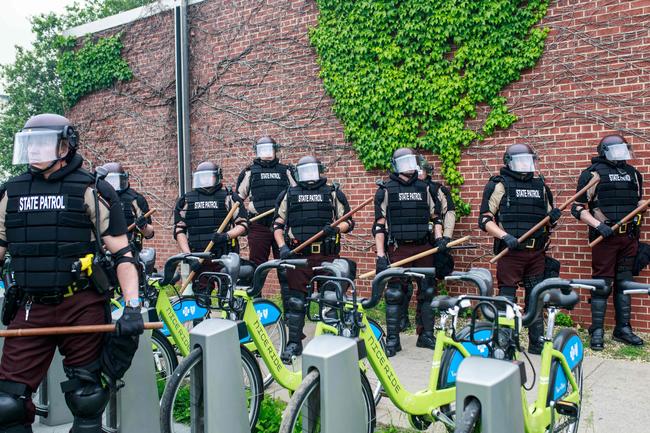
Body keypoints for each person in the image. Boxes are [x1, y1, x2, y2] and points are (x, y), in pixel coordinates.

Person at [0, 113, 143, 433]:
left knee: (88, 396)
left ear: (65, 146)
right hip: (29, 306)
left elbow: (123, 254)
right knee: (6, 405)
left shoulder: (93, 189)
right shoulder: (11, 192)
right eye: (29, 144)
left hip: (81, 305)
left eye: (41, 143)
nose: (34, 151)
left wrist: (133, 307)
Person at [478, 143, 561, 354]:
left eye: (529, 160)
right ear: (510, 162)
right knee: (508, 296)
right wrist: (505, 236)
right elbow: (485, 219)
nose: (526, 164)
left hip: (536, 252)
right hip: (511, 252)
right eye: (521, 160)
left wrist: (552, 219)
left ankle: (536, 341)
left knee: (536, 296)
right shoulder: (500, 185)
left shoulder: (541, 186)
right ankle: (506, 342)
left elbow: (547, 221)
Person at [273, 156, 354, 362]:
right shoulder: (288, 194)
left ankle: (331, 340)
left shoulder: (332, 193)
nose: (309, 176)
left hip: (327, 255)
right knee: (295, 301)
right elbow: (278, 224)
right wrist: (282, 246)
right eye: (304, 171)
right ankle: (294, 343)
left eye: (312, 171)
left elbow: (349, 222)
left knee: (330, 298)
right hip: (299, 256)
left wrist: (335, 228)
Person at [571, 134, 644, 350]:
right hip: (604, 237)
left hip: (628, 237)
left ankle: (623, 329)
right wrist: (597, 225)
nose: (622, 153)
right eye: (617, 149)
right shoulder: (592, 174)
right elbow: (578, 208)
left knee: (624, 282)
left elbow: (638, 200)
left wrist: (640, 211)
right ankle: (597, 330)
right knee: (602, 284)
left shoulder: (633, 174)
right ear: (604, 151)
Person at [373, 148, 444, 357]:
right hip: (398, 248)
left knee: (428, 291)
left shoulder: (426, 188)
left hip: (423, 247)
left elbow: (436, 217)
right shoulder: (386, 190)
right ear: (395, 165)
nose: (408, 166)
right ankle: (393, 340)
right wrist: (379, 255)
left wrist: (439, 239)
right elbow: (379, 225)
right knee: (394, 293)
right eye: (403, 162)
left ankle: (426, 336)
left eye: (410, 162)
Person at [236, 137, 294, 294]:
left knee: (286, 266)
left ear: (276, 149)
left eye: (270, 149)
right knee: (256, 267)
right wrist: (242, 221)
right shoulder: (250, 172)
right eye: (263, 150)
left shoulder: (286, 171)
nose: (267, 153)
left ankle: (289, 308)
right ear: (257, 151)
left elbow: (297, 194)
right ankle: (255, 305)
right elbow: (237, 200)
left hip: (282, 227)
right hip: (258, 225)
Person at [173, 161, 247, 282]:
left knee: (226, 294)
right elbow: (179, 230)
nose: (205, 180)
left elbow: (243, 225)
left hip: (223, 254)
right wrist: (188, 256)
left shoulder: (229, 198)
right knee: (201, 296)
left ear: (217, 177)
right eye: (201, 177)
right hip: (198, 256)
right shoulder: (186, 200)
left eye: (209, 177)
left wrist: (226, 236)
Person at [102, 162, 154, 252]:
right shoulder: (97, 199)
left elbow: (149, 234)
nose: (112, 185)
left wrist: (143, 226)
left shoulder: (136, 199)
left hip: (130, 251)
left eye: (115, 181)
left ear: (122, 179)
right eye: (108, 181)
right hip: (103, 252)